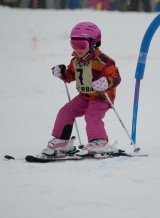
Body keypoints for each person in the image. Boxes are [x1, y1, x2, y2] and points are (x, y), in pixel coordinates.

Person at [43, 22, 121, 156]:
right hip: (84, 96)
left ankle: (99, 142)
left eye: (82, 45)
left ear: (94, 43)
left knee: (92, 115)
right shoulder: (76, 61)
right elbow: (70, 76)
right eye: (74, 44)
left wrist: (106, 82)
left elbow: (116, 77)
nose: (78, 49)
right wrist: (62, 73)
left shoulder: (103, 61)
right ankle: (62, 141)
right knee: (66, 111)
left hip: (101, 97)